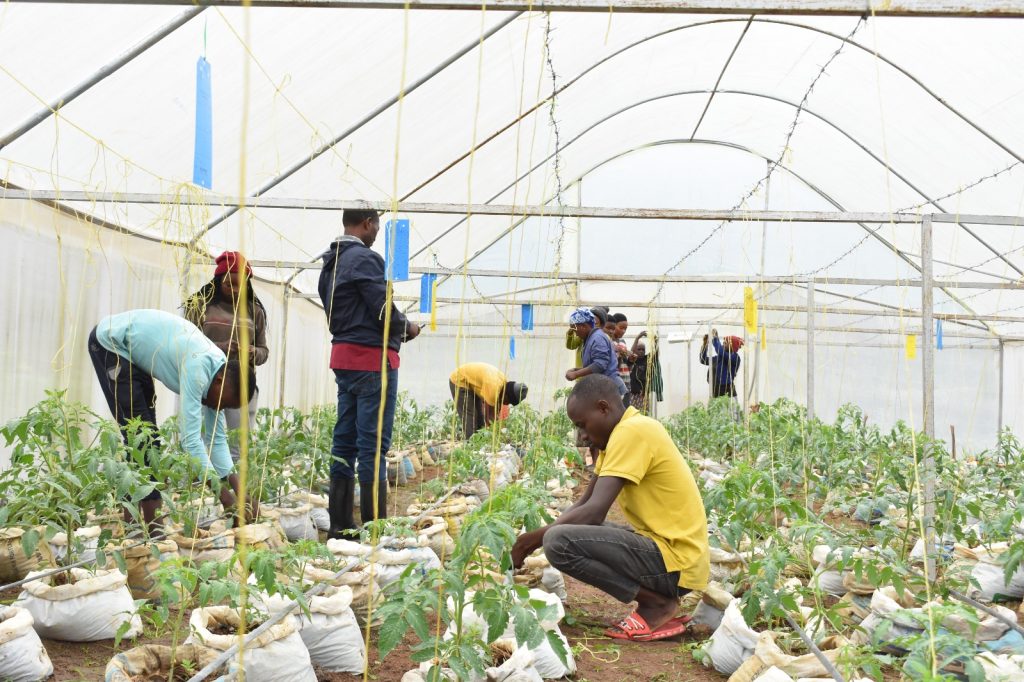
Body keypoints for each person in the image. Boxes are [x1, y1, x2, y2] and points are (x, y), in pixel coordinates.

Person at [511, 375, 710, 641]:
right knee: (564, 533)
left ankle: (657, 604)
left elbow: (594, 512)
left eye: (582, 425)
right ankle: (657, 600)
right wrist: (532, 538)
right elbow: (583, 504)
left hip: (677, 562)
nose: (582, 435)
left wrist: (528, 542)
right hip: (668, 555)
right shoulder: (619, 434)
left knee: (558, 542)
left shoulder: (633, 431)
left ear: (604, 408)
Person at [87, 309, 257, 535]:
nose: (219, 409)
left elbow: (216, 439)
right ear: (219, 381)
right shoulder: (199, 369)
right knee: (144, 442)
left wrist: (240, 491)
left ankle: (140, 530)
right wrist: (224, 497)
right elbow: (191, 443)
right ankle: (150, 533)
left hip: (133, 354)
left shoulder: (220, 372)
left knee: (145, 441)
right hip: (111, 344)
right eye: (223, 403)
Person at [319, 209, 421, 539]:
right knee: (372, 447)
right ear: (367, 223)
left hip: (345, 360)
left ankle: (339, 525)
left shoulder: (330, 262)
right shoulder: (364, 258)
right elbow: (382, 310)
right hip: (372, 361)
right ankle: (376, 530)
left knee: (344, 442)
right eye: (376, 226)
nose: (376, 232)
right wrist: (408, 327)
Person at [184, 251, 269, 463]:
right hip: (206, 384)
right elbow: (187, 344)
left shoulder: (254, 311)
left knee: (237, 442)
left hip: (239, 386)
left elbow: (264, 352)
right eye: (227, 284)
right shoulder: (201, 305)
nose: (233, 289)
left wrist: (252, 352)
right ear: (217, 281)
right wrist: (220, 347)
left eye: (238, 284)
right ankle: (198, 486)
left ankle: (233, 488)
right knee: (201, 437)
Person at [449, 363, 528, 438]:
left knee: (479, 414)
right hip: (459, 380)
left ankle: (478, 440)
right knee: (470, 415)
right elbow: (490, 419)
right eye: (508, 401)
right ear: (506, 395)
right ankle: (470, 445)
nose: (506, 404)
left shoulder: (502, 384)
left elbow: (493, 412)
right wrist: (495, 434)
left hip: (472, 383)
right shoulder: (493, 390)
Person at [565, 308, 627, 397]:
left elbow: (600, 364)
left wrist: (576, 374)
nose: (576, 333)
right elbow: (594, 364)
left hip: (610, 389)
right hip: (604, 387)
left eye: (575, 330)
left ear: (583, 326)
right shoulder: (591, 338)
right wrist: (576, 370)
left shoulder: (597, 338)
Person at [699, 330, 742, 398]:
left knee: (729, 409)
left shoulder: (735, 357)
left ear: (732, 346)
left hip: (728, 394)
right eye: (723, 342)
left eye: (726, 343)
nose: (723, 344)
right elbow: (703, 360)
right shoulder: (719, 357)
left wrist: (715, 338)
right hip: (715, 392)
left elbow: (720, 351)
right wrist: (705, 344)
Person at [609, 313, 632, 406]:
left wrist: (631, 360)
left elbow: (627, 365)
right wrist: (618, 355)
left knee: (625, 410)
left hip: (626, 381)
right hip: (614, 383)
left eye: (625, 329)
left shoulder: (622, 342)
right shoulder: (608, 341)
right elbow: (612, 366)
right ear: (614, 326)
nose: (623, 331)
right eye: (621, 328)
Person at [629, 331, 651, 413]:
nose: (641, 351)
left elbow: (656, 353)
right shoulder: (632, 360)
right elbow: (631, 353)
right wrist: (637, 338)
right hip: (633, 393)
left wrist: (655, 341)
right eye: (639, 349)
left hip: (643, 394)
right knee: (633, 413)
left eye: (643, 349)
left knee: (644, 413)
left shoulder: (647, 359)